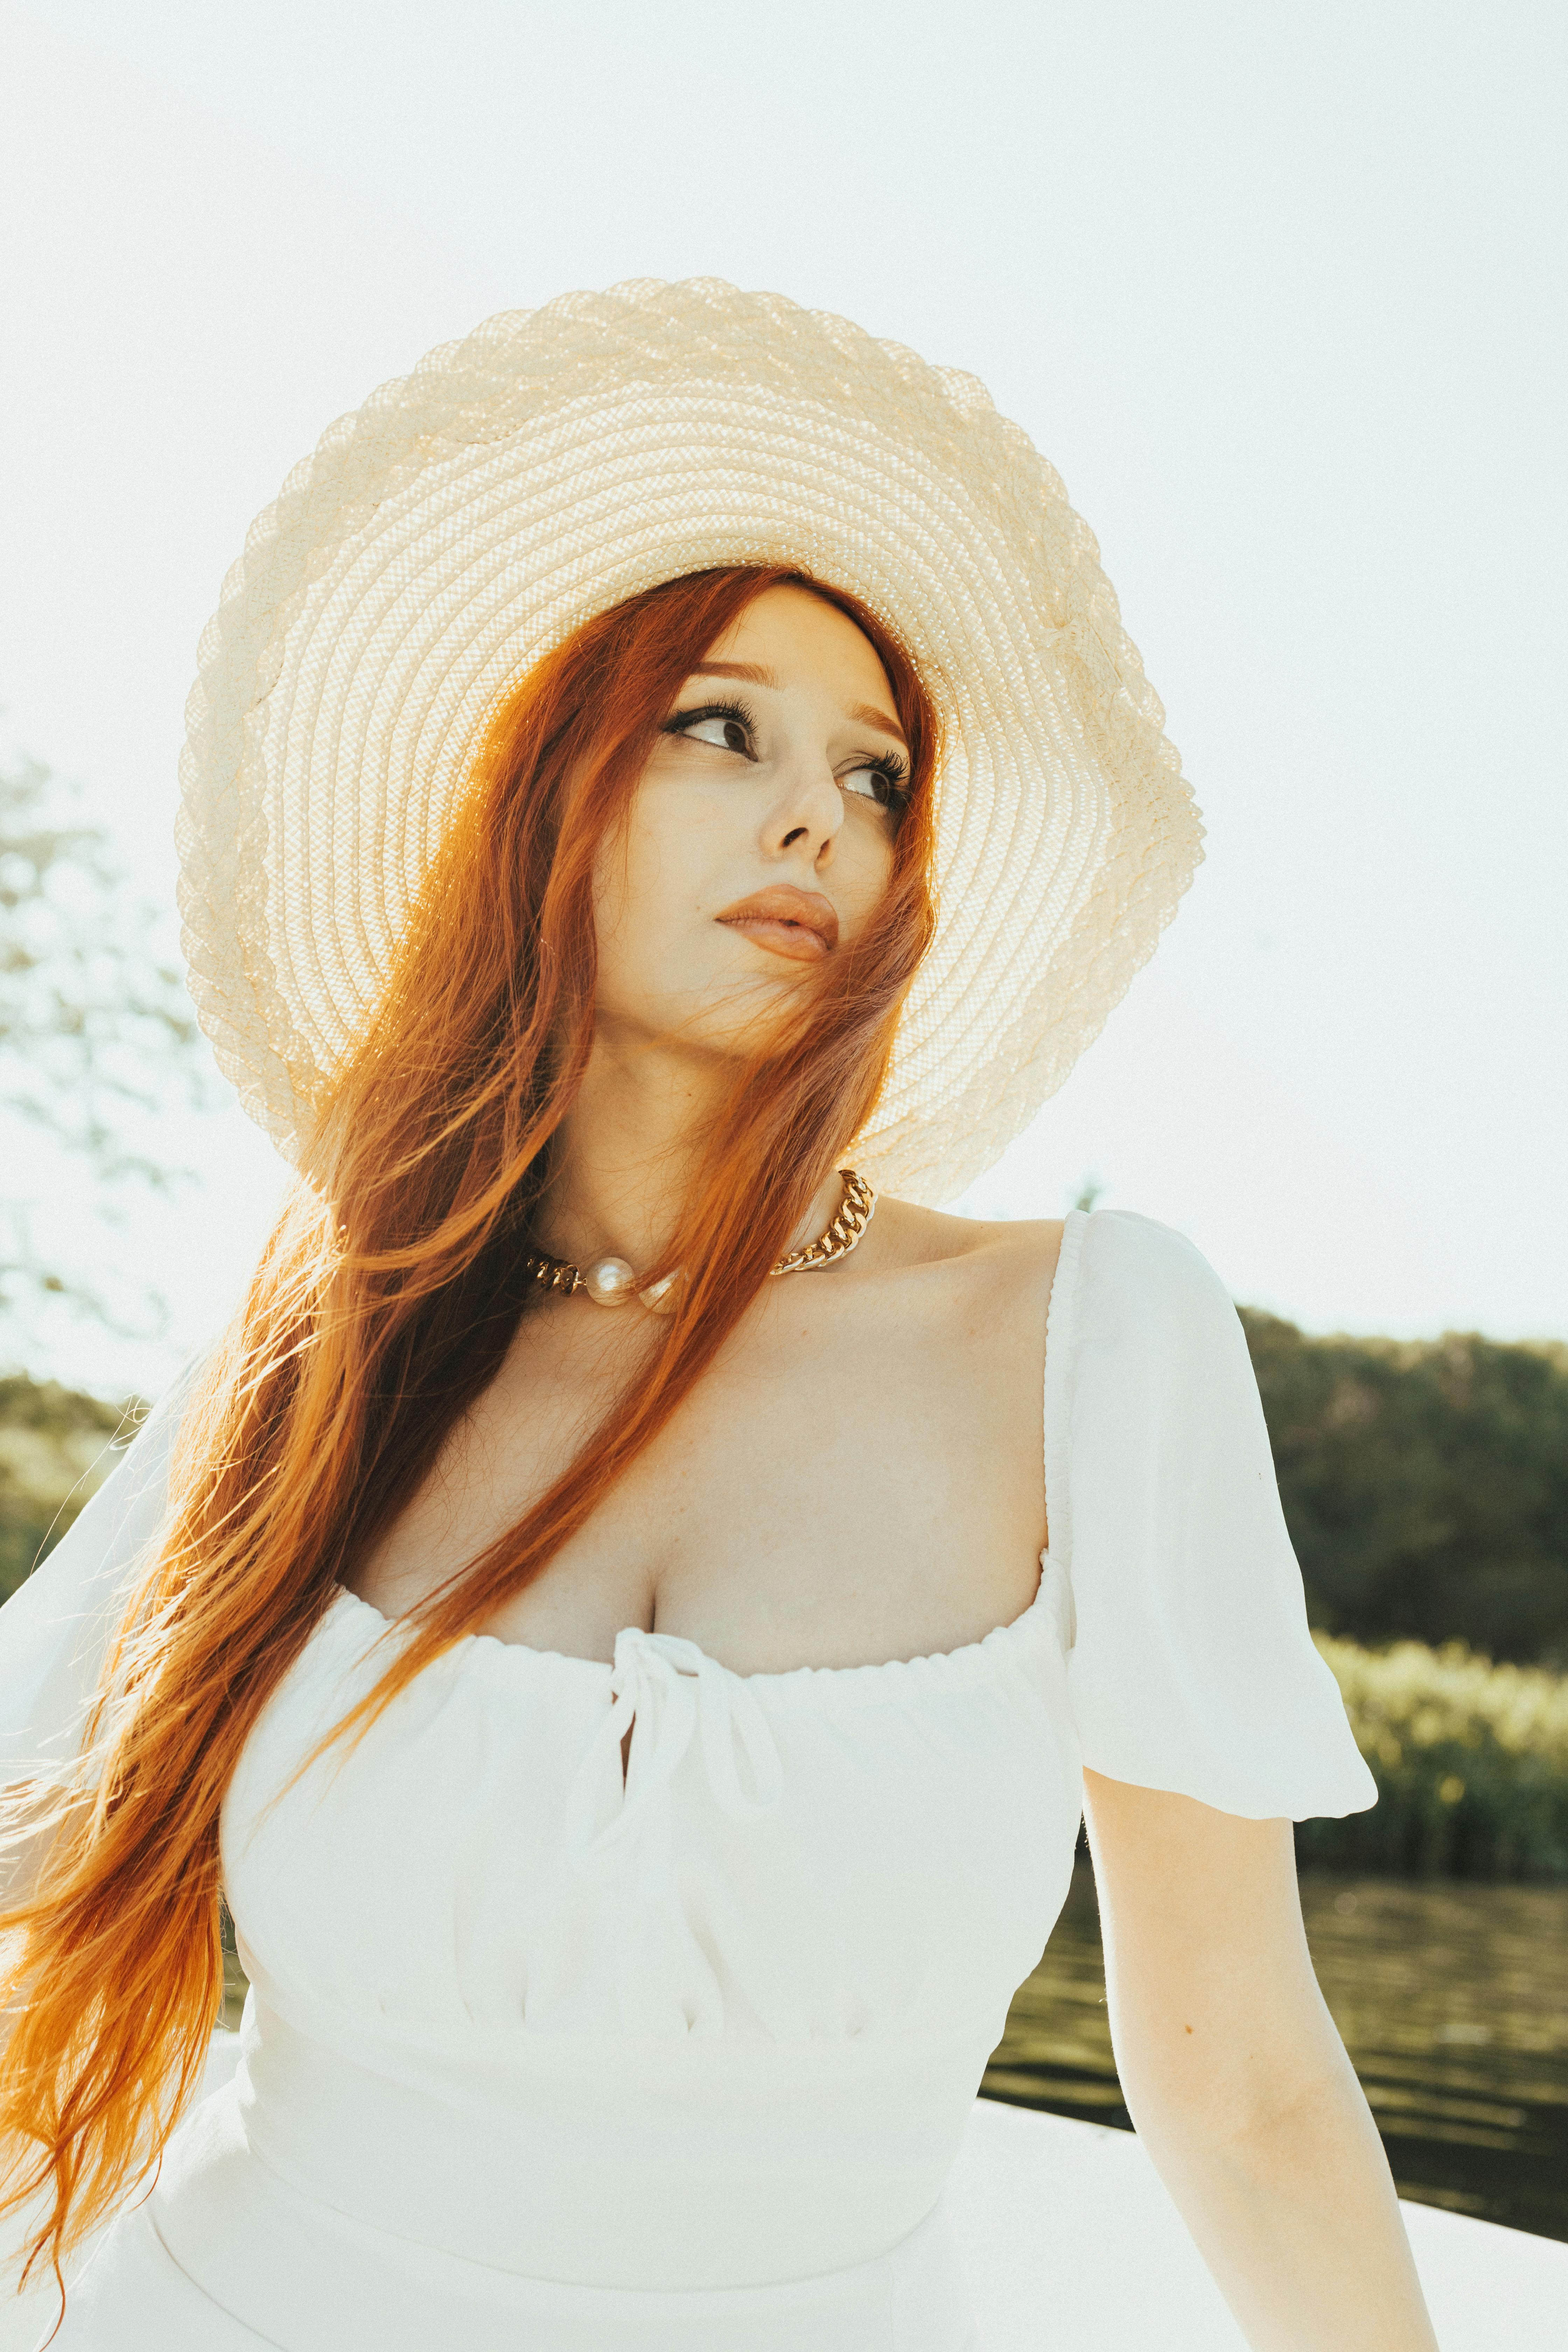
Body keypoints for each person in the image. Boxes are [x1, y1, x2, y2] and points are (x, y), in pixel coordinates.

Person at [0, 280, 1437, 2351]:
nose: (818, 822)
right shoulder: (340, 1339)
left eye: (878, 777)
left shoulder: (1089, 1335)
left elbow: (1242, 2087)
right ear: (540, 800)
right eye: (721, 726)